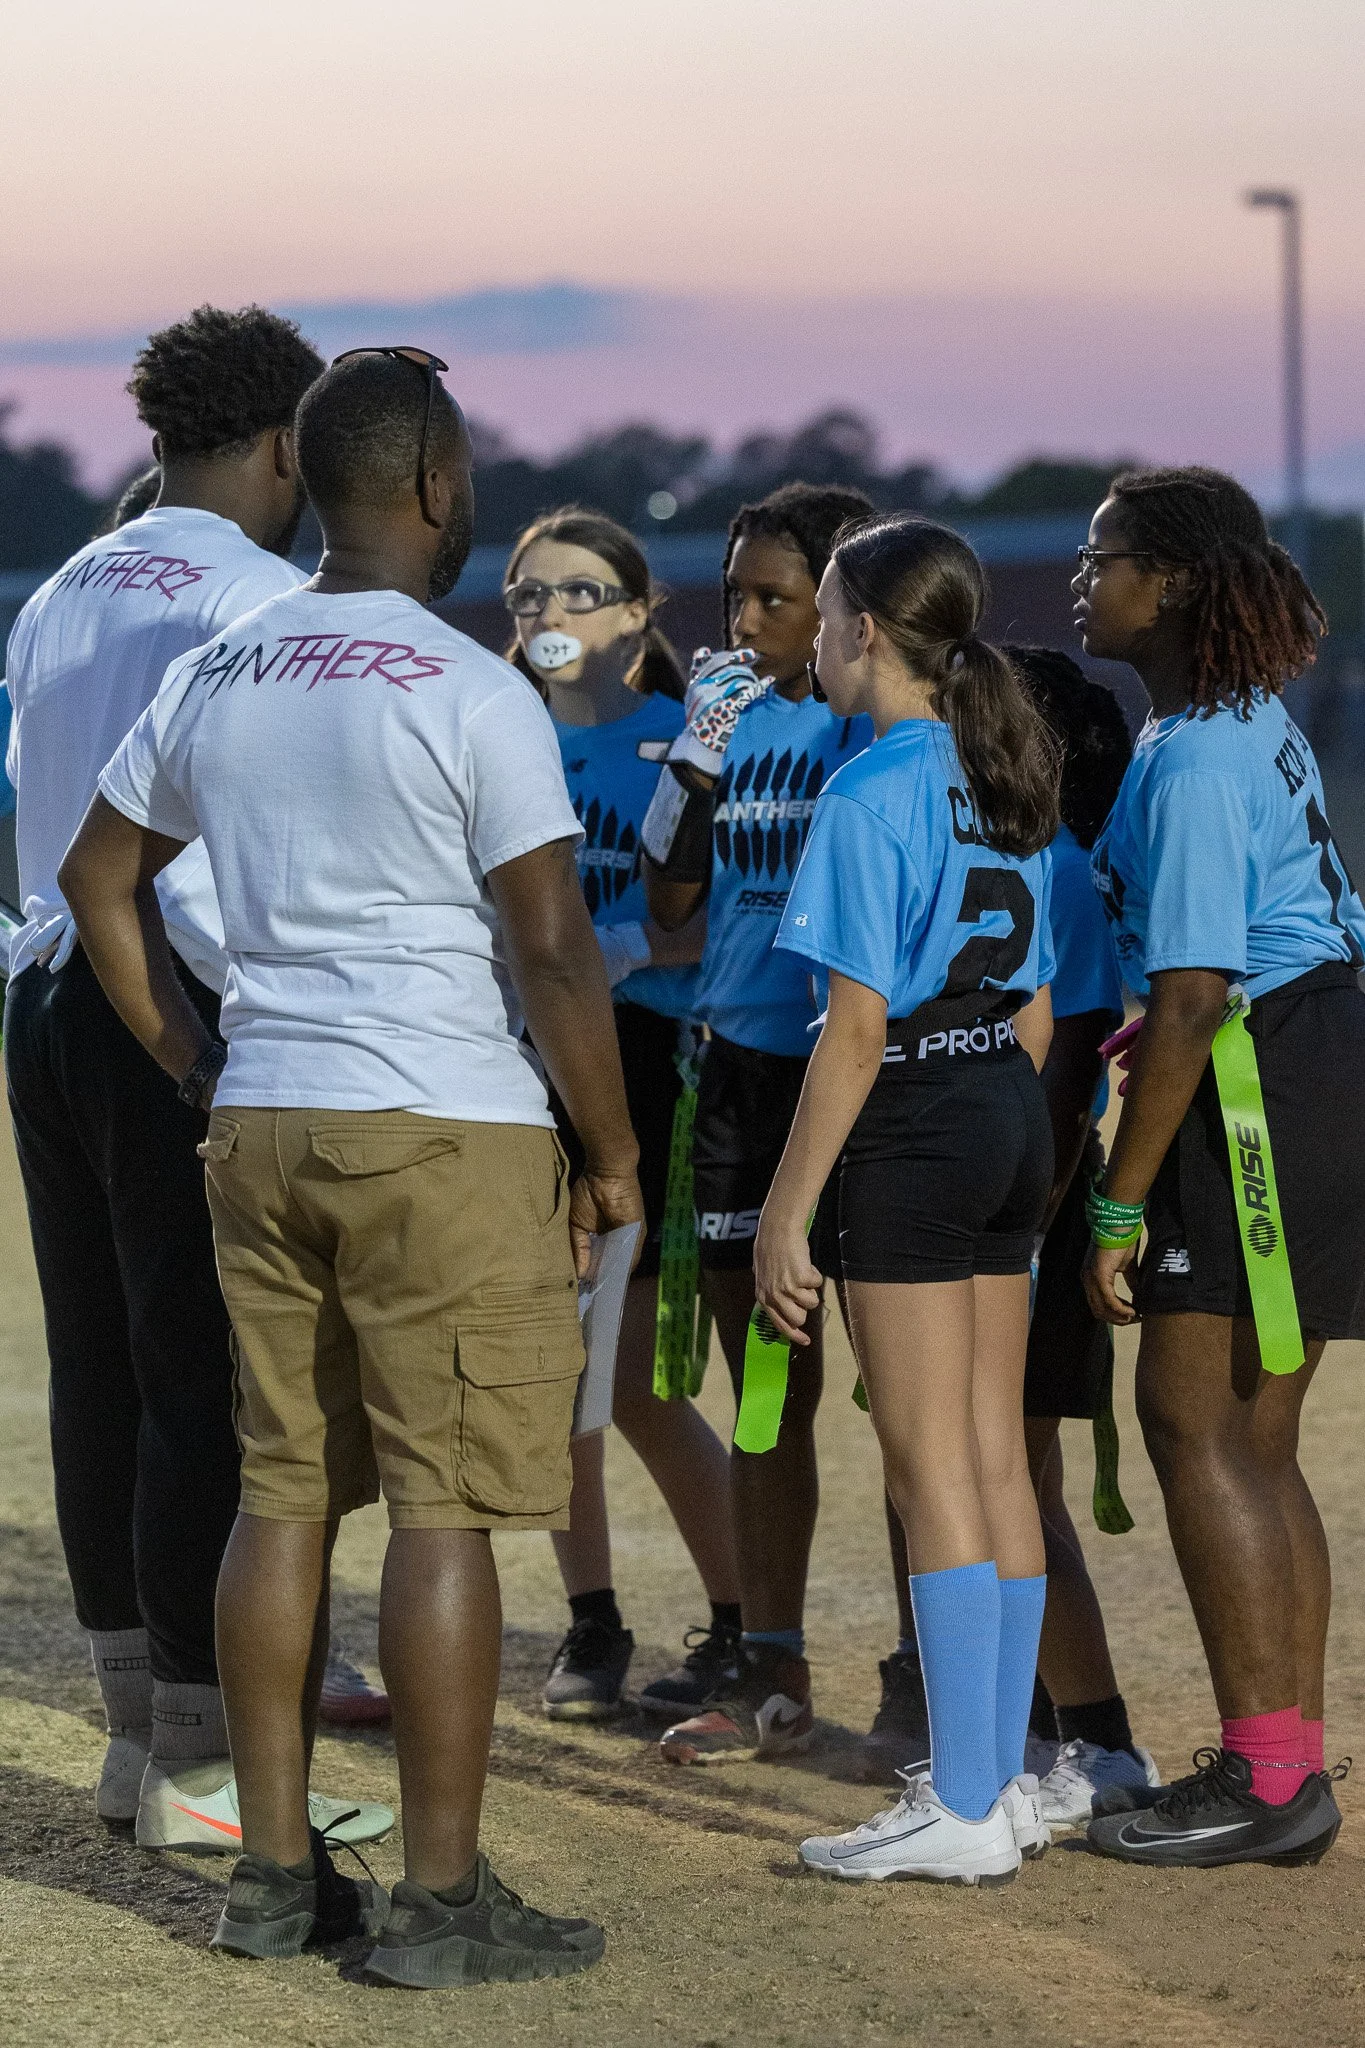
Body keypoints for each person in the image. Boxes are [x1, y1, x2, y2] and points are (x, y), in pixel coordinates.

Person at [63, 346, 641, 1981]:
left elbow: (100, 879)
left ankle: (269, 1875)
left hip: (265, 1120)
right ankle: (442, 1901)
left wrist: (195, 1054)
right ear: (440, 488)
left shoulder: (225, 668)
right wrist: (610, 1156)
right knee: (446, 1512)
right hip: (442, 1123)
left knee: (285, 1491)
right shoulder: (472, 688)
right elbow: (554, 949)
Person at [3, 304, 386, 1852]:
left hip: (39, 991)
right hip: (163, 994)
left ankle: (130, 1747)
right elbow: (227, 856)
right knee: (205, 1388)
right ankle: (198, 1770)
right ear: (290, 444)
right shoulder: (256, 597)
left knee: (98, 1369)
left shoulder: (65, 586)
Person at [756, 512, 1061, 1886]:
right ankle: (993, 1788)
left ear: (866, 632)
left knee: (928, 1464)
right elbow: (1041, 1011)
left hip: (921, 1125)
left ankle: (964, 1804)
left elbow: (855, 1031)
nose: (816, 640)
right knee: (994, 1455)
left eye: (823, 615)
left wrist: (782, 1212)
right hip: (1005, 1104)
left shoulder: (872, 787)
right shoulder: (999, 774)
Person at [1072, 467, 1365, 1869]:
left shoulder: (1191, 755)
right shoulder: (1231, 722)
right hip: (1309, 1065)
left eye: (1105, 557)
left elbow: (1189, 996)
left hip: (1254, 1086)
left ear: (1174, 582)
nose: (1084, 579)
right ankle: (1283, 1768)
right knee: (1252, 1437)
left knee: (1194, 1426)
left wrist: (1117, 1202)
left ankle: (1264, 1783)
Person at [860, 646, 1158, 1825]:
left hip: (1013, 1196)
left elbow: (1073, 1041)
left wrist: (1018, 1213)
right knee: (964, 1473)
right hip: (1001, 1191)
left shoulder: (1054, 864)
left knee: (1000, 1477)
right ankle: (1002, 1736)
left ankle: (1092, 1735)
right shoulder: (1010, 843)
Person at [642, 481, 876, 1754]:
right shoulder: (730, 711)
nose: (745, 617)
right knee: (765, 1387)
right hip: (736, 1064)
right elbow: (671, 885)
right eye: (735, 592)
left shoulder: (872, 722)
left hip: (855, 1069)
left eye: (776, 597)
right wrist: (698, 744)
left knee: (907, 1385)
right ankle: (769, 1663)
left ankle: (926, 1663)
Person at [502, 507, 742, 1720]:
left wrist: (615, 942)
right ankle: (591, 1620)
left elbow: (714, 918)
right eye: (530, 596)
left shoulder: (676, 742)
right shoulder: (494, 737)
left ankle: (747, 1618)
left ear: (641, 612)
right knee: (552, 1373)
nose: (549, 616)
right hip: (516, 1068)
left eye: (581, 592)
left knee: (640, 1372)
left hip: (644, 1060)